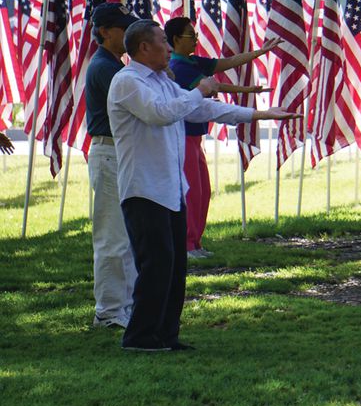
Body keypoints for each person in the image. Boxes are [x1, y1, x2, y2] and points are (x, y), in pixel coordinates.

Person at [108, 20, 300, 351]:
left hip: (171, 189)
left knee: (175, 268)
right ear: (143, 48)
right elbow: (162, 114)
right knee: (155, 266)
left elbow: (203, 107)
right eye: (163, 43)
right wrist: (200, 90)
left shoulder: (162, 81)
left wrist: (260, 115)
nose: (169, 48)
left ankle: (166, 335)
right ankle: (140, 337)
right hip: (143, 189)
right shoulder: (127, 82)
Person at [163, 16, 277, 259]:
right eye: (190, 36)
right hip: (183, 137)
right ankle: (188, 245)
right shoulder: (179, 67)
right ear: (175, 40)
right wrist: (247, 91)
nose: (195, 40)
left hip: (195, 139)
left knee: (203, 190)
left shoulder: (192, 62)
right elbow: (214, 88)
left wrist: (261, 52)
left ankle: (196, 242)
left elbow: (226, 63)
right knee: (192, 193)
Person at [84, 3, 139, 329]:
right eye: (122, 28)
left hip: (118, 154)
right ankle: (108, 312)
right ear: (105, 32)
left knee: (126, 237)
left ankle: (123, 307)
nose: (128, 33)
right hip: (109, 153)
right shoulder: (105, 67)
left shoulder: (113, 63)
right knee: (112, 238)